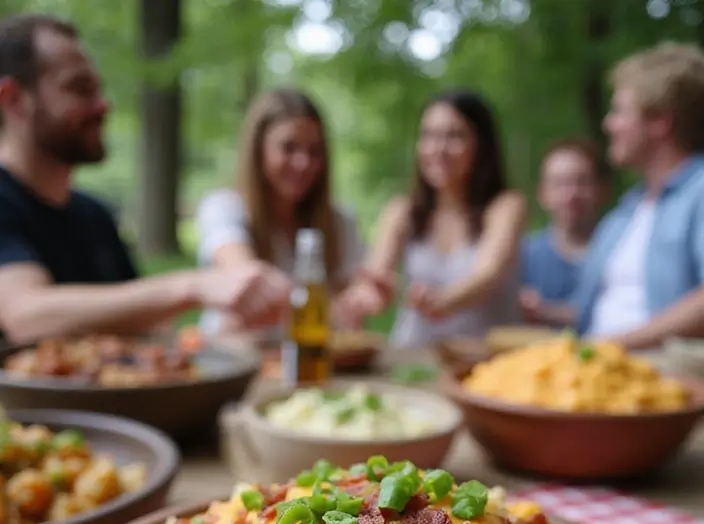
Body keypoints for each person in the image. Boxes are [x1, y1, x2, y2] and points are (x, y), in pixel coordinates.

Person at [0, 14, 290, 345]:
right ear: (12, 99)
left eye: (98, 90)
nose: (102, 105)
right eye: (80, 88)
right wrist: (193, 286)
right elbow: (25, 314)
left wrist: (223, 335)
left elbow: (144, 333)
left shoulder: (94, 216)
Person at [339, 89, 525, 347]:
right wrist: (370, 294)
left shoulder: (505, 206)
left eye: (454, 136)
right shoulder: (401, 211)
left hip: (488, 363)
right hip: (414, 358)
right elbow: (377, 274)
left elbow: (488, 277)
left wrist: (442, 301)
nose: (438, 149)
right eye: (428, 136)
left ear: (481, 144)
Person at [196, 88, 374, 340]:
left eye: (315, 151)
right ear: (258, 150)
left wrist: (362, 298)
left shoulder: (340, 221)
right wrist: (328, 309)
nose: (304, 163)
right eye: (288, 148)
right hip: (236, 363)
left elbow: (352, 325)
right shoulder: (223, 208)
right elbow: (248, 280)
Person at [577, 42, 704, 349]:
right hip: (595, 369)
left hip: (662, 378)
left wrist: (610, 347)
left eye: (619, 111)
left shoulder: (699, 191)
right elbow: (610, 306)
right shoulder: (627, 209)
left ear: (660, 120)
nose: (609, 124)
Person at [520, 139, 604, 328]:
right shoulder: (523, 255)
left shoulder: (621, 252)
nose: (572, 194)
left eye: (582, 182)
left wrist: (544, 311)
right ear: (542, 194)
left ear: (602, 189)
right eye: (560, 184)